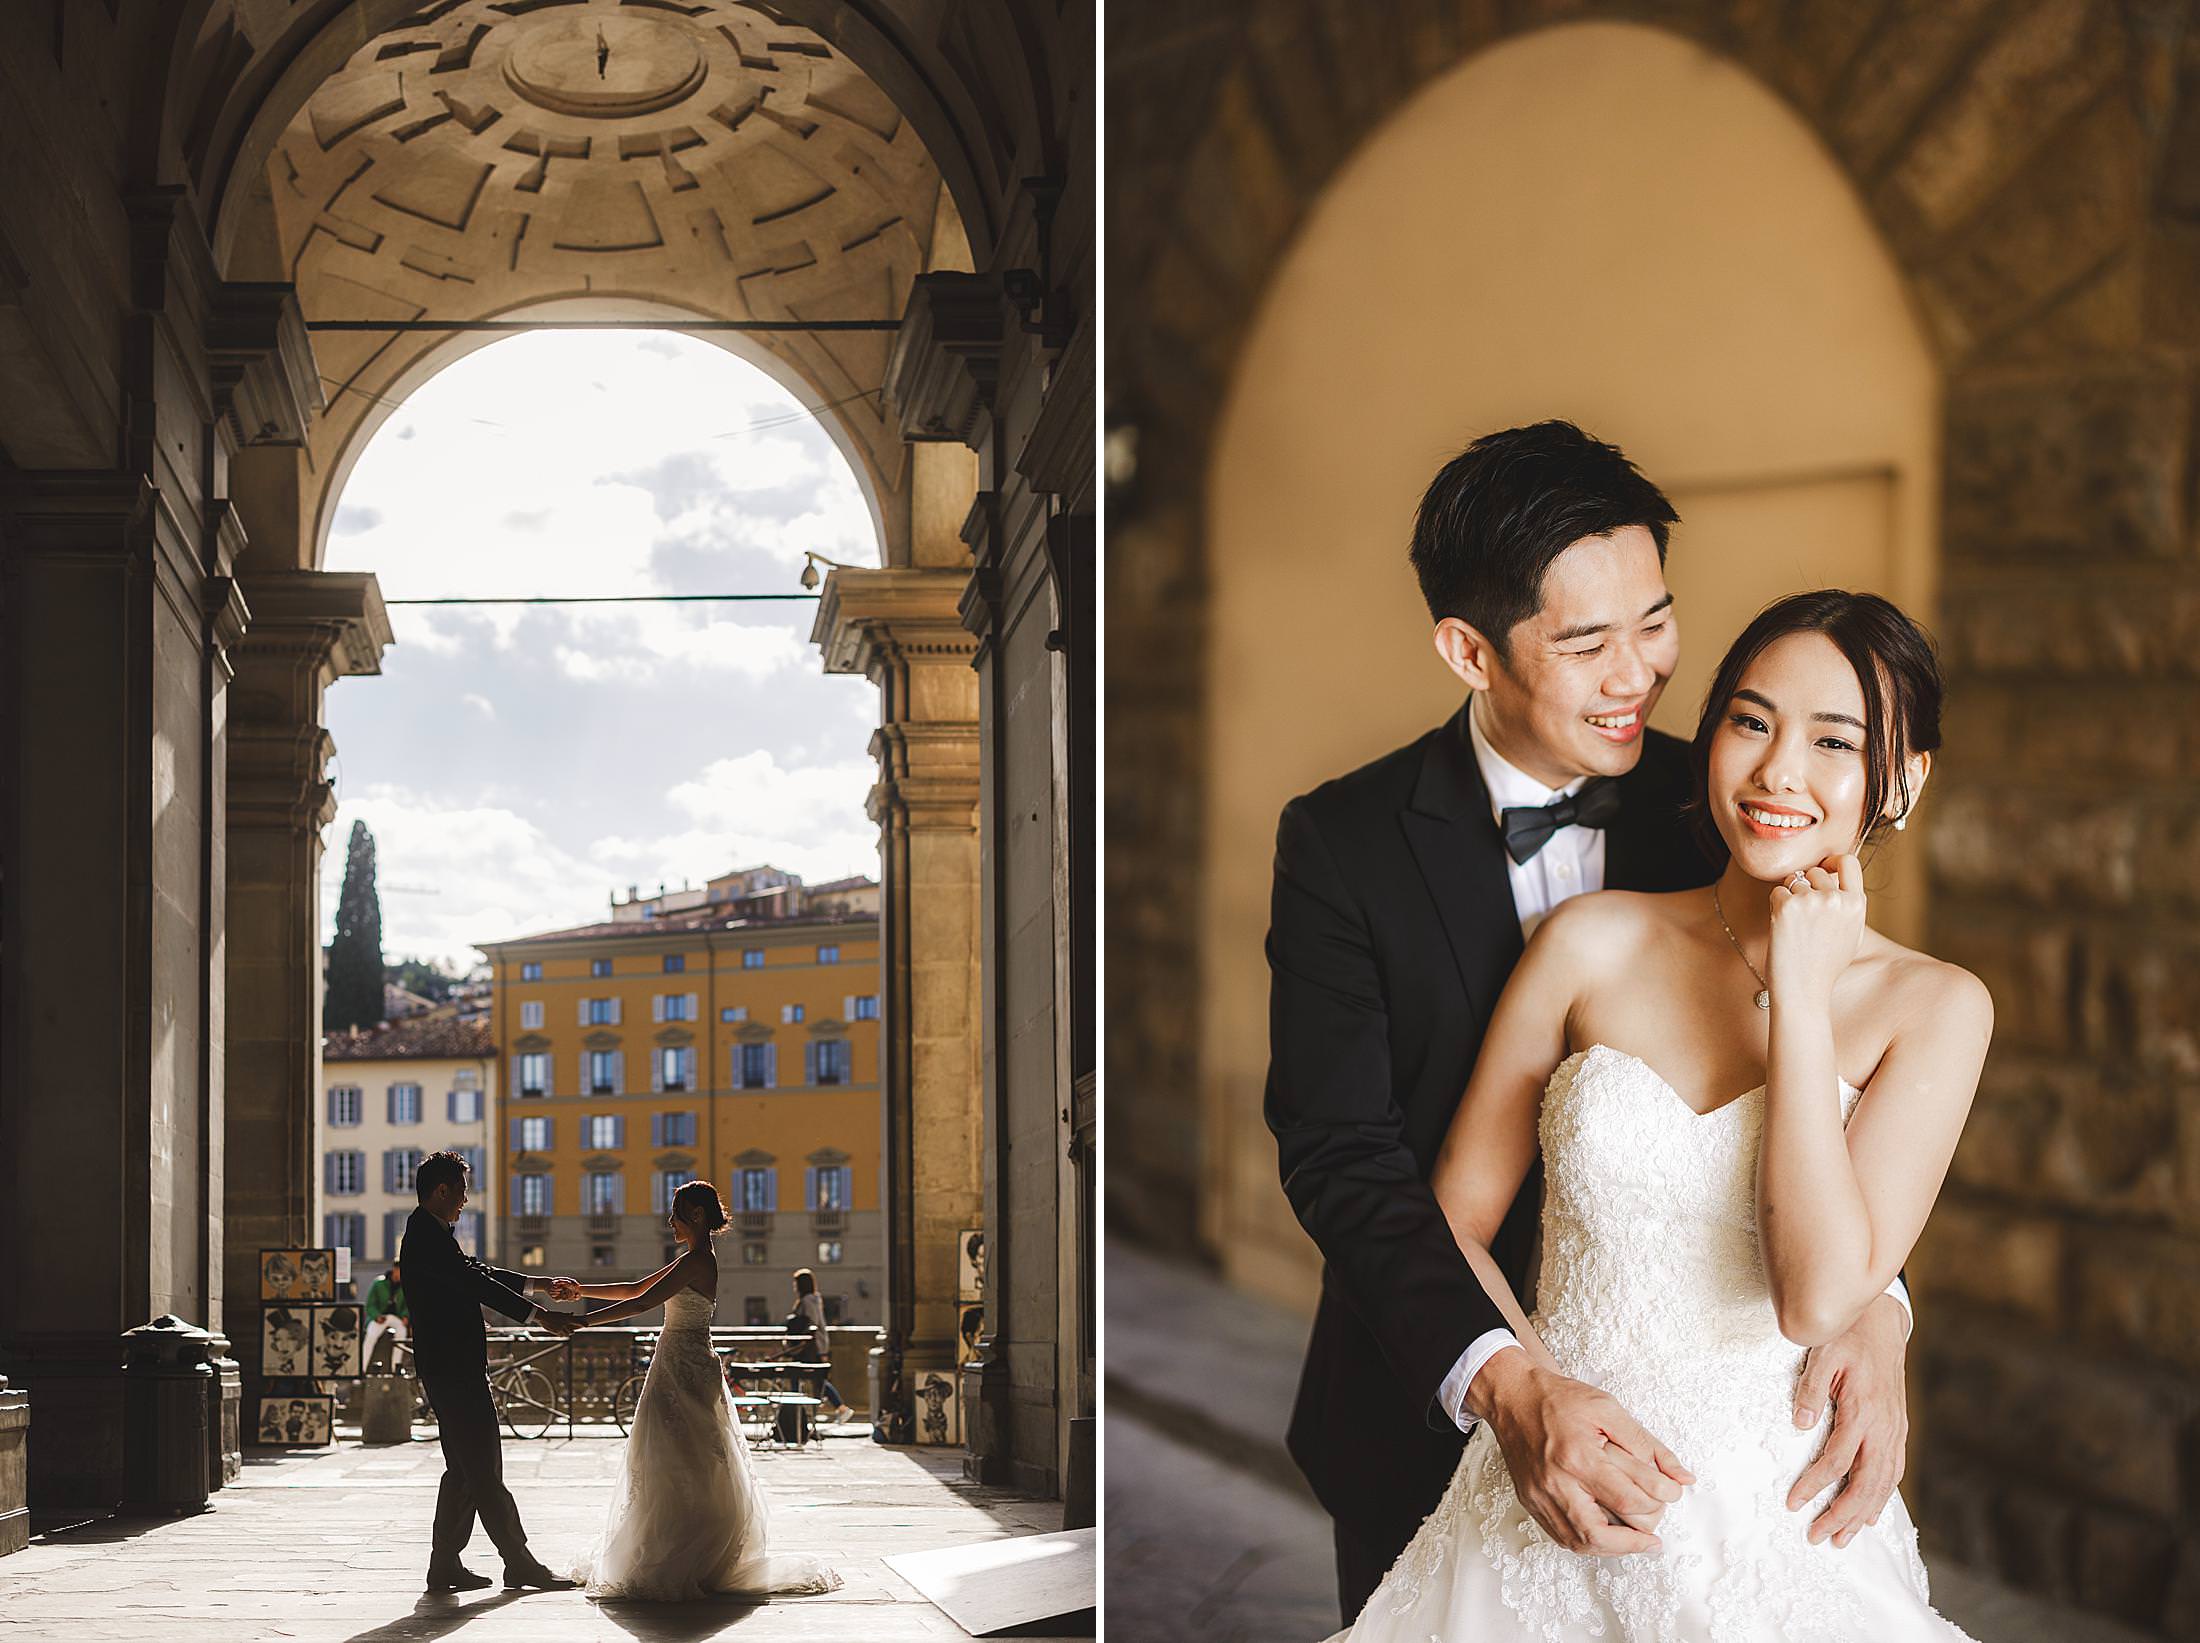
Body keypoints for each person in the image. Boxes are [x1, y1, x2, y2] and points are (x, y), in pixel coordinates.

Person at [1266, 423, 1914, 1624]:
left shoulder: (1732, 797)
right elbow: (1338, 1152)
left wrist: (1879, 1309)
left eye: (1655, 621)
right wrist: (1509, 1384)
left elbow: (1837, 1080)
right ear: (1470, 649)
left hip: (1718, 1450)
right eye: (1585, 642)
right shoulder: (1340, 845)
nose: (1639, 673)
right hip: (1427, 1395)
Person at [1330, 590, 1986, 1639]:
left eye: (1834, 739)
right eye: (1749, 718)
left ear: (1902, 778)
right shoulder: (1589, 942)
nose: (1777, 770)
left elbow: (1817, 1296)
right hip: (1559, 1489)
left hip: (1777, 1526)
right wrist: (1533, 1399)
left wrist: (1805, 999)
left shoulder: (1939, 1007)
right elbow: (1449, 1219)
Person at [563, 1181, 841, 1601]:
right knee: (680, 1457)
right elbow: (636, 1289)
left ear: (694, 1215)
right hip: (682, 1362)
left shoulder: (697, 1261)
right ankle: (676, 1542)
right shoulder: (692, 1259)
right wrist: (581, 1292)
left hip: (682, 1366)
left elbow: (640, 1305)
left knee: (676, 1456)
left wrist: (582, 1322)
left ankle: (679, 1547)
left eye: (675, 1213)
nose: (670, 1221)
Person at [400, 1150, 580, 1594]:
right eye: (462, 1189)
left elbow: (478, 1272)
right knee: (483, 1467)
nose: (466, 1198)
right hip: (455, 1371)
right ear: (442, 1189)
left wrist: (539, 1284)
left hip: (447, 1369)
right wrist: (540, 1314)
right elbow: (474, 1282)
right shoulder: (426, 1235)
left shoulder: (430, 1233)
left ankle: (444, 1566)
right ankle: (518, 1563)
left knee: (462, 1470)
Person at [785, 1269, 847, 1427]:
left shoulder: (807, 1301)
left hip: (808, 1347)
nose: (793, 1286)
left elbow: (811, 1324)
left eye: (795, 1283)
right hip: (809, 1346)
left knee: (806, 1378)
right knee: (813, 1379)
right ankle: (837, 1408)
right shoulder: (812, 1299)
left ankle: (798, 1414)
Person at [363, 1264, 408, 1372]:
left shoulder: (405, 1285)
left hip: (396, 1317)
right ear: (394, 1269)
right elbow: (370, 1304)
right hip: (381, 1317)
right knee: (371, 1335)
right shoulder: (379, 1283)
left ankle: (396, 1367)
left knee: (401, 1333)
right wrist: (376, 1316)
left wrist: (406, 1316)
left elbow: (408, 1305)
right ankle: (362, 1368)